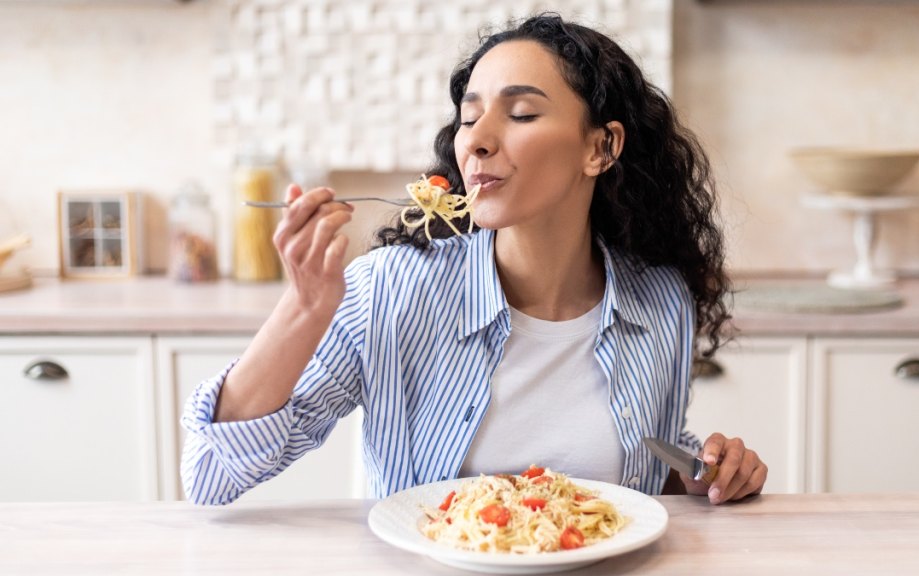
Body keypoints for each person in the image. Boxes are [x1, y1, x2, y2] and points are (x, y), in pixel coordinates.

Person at [181, 13, 767, 506]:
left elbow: (645, 467)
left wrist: (708, 471)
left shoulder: (660, 301)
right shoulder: (391, 290)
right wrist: (305, 308)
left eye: (521, 114)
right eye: (468, 116)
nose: (476, 140)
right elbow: (210, 476)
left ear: (600, 147)